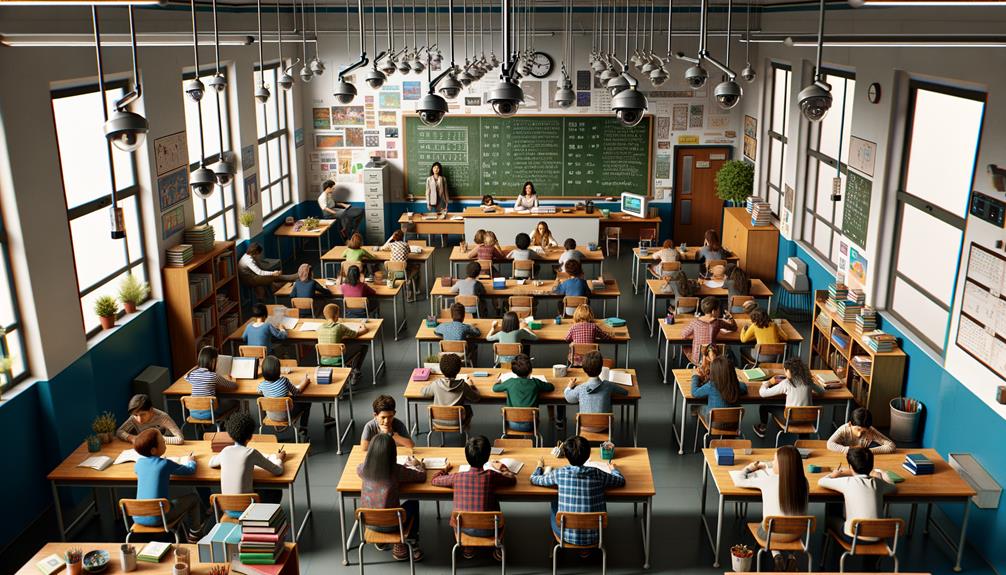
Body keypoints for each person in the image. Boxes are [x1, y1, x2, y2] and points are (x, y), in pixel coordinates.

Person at [530, 435, 626, 550]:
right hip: (595, 535)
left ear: (566, 455)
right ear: (589, 454)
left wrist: (539, 467)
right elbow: (620, 481)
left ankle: (561, 544)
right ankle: (584, 550)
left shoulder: (560, 473)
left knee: (554, 501)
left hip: (566, 536)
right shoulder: (598, 473)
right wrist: (613, 469)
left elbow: (534, 479)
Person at [431, 435, 515, 561]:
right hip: (490, 530)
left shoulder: (457, 477)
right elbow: (511, 479)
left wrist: (444, 469)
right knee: (496, 507)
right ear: (487, 457)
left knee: (466, 513)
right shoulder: (491, 475)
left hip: (463, 530)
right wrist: (502, 468)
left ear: (466, 456)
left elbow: (434, 480)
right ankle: (498, 548)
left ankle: (468, 547)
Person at [734, 445, 810, 571]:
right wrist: (766, 466)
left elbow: (738, 480)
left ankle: (777, 556)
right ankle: (792, 558)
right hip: (796, 533)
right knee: (794, 520)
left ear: (781, 464)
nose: (772, 462)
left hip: (771, 535)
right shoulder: (804, 482)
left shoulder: (767, 480)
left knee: (768, 526)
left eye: (774, 461)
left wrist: (749, 468)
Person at [357, 433, 426, 562]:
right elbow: (421, 476)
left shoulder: (363, 470)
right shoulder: (396, 470)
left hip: (369, 523)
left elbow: (358, 467)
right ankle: (406, 542)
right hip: (393, 524)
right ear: (392, 453)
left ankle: (381, 540)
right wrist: (418, 465)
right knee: (413, 502)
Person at [819, 446, 896, 559]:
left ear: (850, 467)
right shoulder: (878, 483)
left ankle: (828, 557)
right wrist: (883, 474)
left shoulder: (847, 481)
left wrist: (834, 474)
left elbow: (821, 482)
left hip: (852, 537)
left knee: (831, 518)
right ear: (871, 466)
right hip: (878, 535)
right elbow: (893, 487)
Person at [131, 428, 202, 541]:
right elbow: (190, 470)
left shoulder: (138, 464)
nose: (165, 443)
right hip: (159, 518)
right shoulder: (165, 464)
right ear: (154, 450)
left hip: (138, 517)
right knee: (194, 498)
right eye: (162, 442)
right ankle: (195, 533)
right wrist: (191, 460)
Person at [209, 411, 285, 511]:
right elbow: (278, 471)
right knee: (276, 491)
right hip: (248, 510)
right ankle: (265, 515)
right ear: (250, 437)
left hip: (227, 509)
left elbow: (211, 463)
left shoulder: (225, 451)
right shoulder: (251, 453)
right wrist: (279, 458)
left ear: (230, 435)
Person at [752, 357, 826, 439]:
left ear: (789, 371)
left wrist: (768, 383)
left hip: (790, 420)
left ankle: (762, 428)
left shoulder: (786, 383)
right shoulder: (808, 381)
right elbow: (822, 391)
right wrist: (810, 390)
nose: (785, 372)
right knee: (802, 412)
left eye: (785, 370)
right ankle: (803, 441)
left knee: (764, 407)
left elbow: (763, 393)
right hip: (808, 419)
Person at [564, 351, 628, 432]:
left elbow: (568, 397)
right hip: (604, 426)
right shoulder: (608, 385)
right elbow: (625, 392)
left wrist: (569, 386)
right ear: (601, 369)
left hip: (584, 426)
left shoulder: (580, 388)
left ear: (584, 370)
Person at [492, 354, 553, 432]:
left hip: (511, 423)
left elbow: (495, 388)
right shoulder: (535, 382)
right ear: (531, 370)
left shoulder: (510, 382)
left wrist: (497, 383)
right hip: (531, 424)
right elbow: (551, 387)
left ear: (513, 371)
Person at [257, 355, 310, 441]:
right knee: (306, 402)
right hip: (286, 415)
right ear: (278, 370)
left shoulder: (262, 385)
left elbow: (258, 391)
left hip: (271, 415)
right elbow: (297, 392)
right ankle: (303, 430)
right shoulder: (284, 381)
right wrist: (305, 382)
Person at [421, 354, 481, 429]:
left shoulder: (436, 384)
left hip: (437, 421)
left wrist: (430, 384)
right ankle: (466, 429)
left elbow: (423, 392)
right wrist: (472, 386)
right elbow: (476, 398)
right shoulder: (463, 385)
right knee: (468, 408)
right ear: (459, 370)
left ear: (441, 370)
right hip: (457, 421)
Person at [184, 346, 239, 421]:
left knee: (217, 402)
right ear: (213, 361)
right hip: (210, 414)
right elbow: (234, 386)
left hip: (193, 413)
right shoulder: (213, 376)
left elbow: (185, 376)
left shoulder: (193, 374)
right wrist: (233, 378)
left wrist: (197, 367)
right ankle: (226, 425)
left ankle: (205, 428)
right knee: (236, 403)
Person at [316, 303, 369, 380]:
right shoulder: (340, 327)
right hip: (338, 360)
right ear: (337, 315)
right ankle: (355, 371)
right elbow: (356, 334)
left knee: (343, 344)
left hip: (323, 360)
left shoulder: (319, 328)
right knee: (363, 346)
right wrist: (363, 326)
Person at [690, 355, 748, 422]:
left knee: (697, 407)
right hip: (734, 424)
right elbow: (744, 387)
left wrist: (695, 377)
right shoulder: (735, 386)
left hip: (714, 423)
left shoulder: (711, 386)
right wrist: (735, 380)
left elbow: (694, 392)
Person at [681, 297, 737, 364]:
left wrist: (695, 335)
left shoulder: (695, 322)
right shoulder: (718, 322)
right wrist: (730, 317)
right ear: (713, 311)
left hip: (697, 359)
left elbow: (684, 335)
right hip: (713, 358)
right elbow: (734, 327)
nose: (719, 310)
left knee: (686, 347)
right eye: (718, 309)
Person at [117, 394, 184, 446]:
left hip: (166, 446)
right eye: (135, 415)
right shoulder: (133, 418)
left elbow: (180, 439)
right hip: (149, 448)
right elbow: (119, 431)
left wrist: (154, 440)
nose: (139, 420)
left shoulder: (163, 417)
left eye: (143, 414)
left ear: (151, 410)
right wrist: (132, 438)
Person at [827, 408, 896, 454]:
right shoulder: (844, 429)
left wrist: (867, 451)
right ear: (850, 424)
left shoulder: (870, 430)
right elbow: (830, 444)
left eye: (864, 431)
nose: (859, 434)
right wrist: (850, 450)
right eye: (858, 429)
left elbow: (891, 446)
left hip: (862, 460)